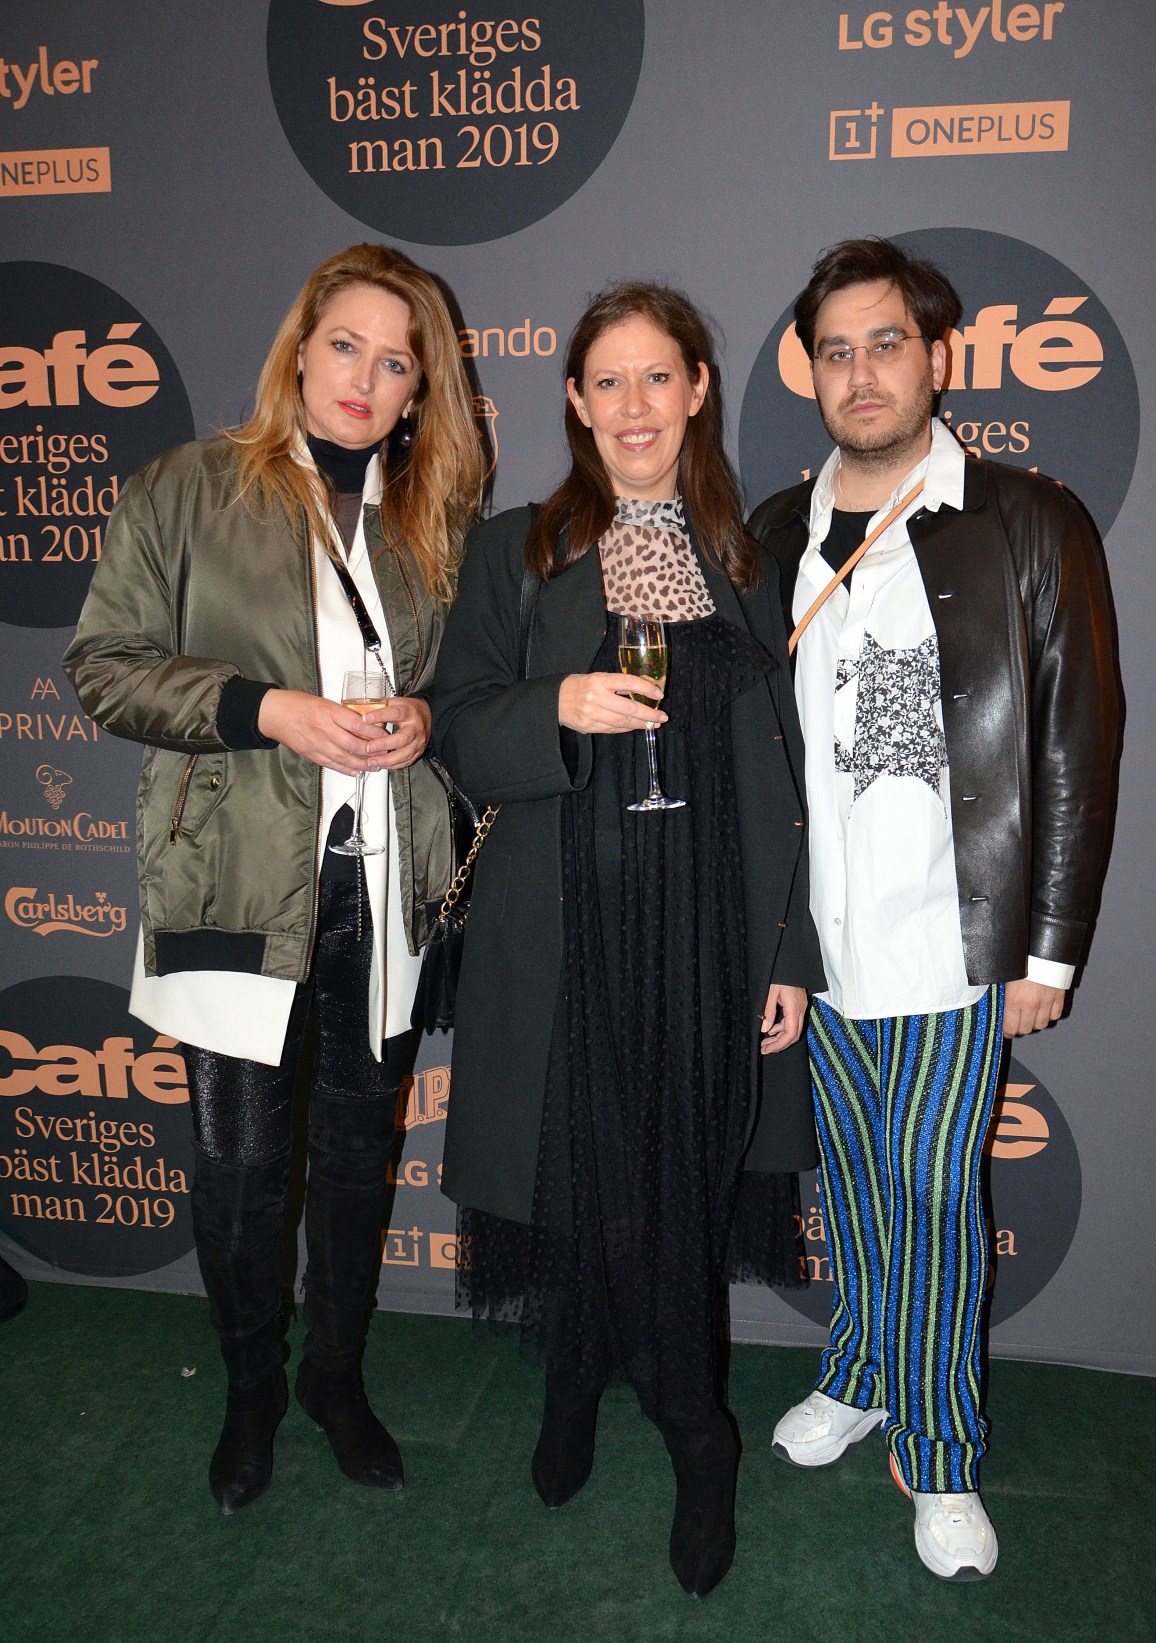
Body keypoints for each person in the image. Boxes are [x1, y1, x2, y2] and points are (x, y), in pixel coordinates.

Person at [64, 243, 485, 1514]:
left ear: (419, 390)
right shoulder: (187, 488)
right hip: (234, 875)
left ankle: (333, 1379)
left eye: (395, 361)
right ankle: (251, 1391)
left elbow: (467, 687)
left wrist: (426, 718)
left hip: (383, 883)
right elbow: (103, 667)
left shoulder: (434, 514)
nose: (365, 378)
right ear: (299, 351)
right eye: (345, 345)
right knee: (242, 1165)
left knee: (358, 1153)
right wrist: (268, 709)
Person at [431, 282, 825, 1597]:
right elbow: (456, 723)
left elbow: (797, 774)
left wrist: (788, 954)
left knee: (679, 1183)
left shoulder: (752, 558)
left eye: (660, 376)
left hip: (713, 934)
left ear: (699, 391)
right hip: (566, 940)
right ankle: (575, 1373)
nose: (635, 404)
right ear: (575, 401)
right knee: (586, 1177)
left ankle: (698, 1433)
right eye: (609, 380)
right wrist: (557, 703)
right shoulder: (516, 550)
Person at [749, 238, 1119, 1580]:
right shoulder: (775, 531)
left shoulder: (1025, 518)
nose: (863, 373)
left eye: (887, 344)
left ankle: (944, 1446)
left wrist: (1047, 945)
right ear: (811, 369)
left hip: (957, 941)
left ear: (939, 357)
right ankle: (860, 1370)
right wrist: (766, 939)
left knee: (932, 1192)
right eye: (836, 350)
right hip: (823, 944)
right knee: (855, 1180)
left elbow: (1077, 738)